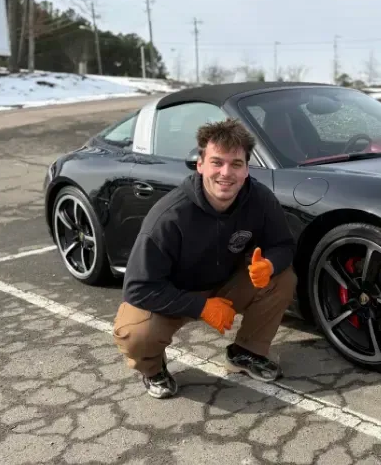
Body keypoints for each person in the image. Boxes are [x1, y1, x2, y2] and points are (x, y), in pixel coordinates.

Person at [112, 117, 297, 399]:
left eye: (236, 164)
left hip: (224, 284)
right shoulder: (170, 216)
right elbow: (138, 288)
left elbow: (283, 245)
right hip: (173, 294)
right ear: (200, 165)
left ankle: (246, 353)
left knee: (282, 278)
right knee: (135, 333)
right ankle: (152, 369)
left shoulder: (259, 199)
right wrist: (201, 306)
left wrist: (269, 264)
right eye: (217, 162)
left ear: (247, 169)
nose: (226, 172)